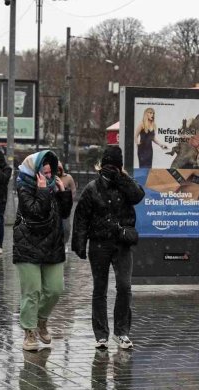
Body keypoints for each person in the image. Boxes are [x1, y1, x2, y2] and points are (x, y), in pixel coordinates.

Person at [72, 146, 145, 350]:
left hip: (122, 243)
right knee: (100, 289)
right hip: (99, 244)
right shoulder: (92, 188)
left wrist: (121, 178)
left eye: (115, 165)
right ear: (101, 165)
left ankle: (121, 332)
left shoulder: (125, 185)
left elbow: (139, 195)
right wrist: (79, 244)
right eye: (109, 165)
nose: (111, 169)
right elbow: (81, 218)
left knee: (124, 286)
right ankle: (101, 335)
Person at [13, 150, 72, 351]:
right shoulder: (24, 187)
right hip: (27, 246)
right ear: (34, 172)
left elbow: (64, 213)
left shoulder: (51, 188)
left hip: (52, 246)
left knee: (55, 289)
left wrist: (62, 191)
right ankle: (29, 332)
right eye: (44, 173)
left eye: (50, 173)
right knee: (33, 291)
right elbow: (36, 213)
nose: (49, 177)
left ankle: (41, 320)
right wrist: (43, 191)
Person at [57, 162, 77, 251]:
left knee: (66, 227)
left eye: (59, 169)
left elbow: (73, 189)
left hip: (65, 206)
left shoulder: (68, 178)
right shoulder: (51, 177)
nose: (57, 172)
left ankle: (64, 243)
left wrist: (70, 200)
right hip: (55, 206)